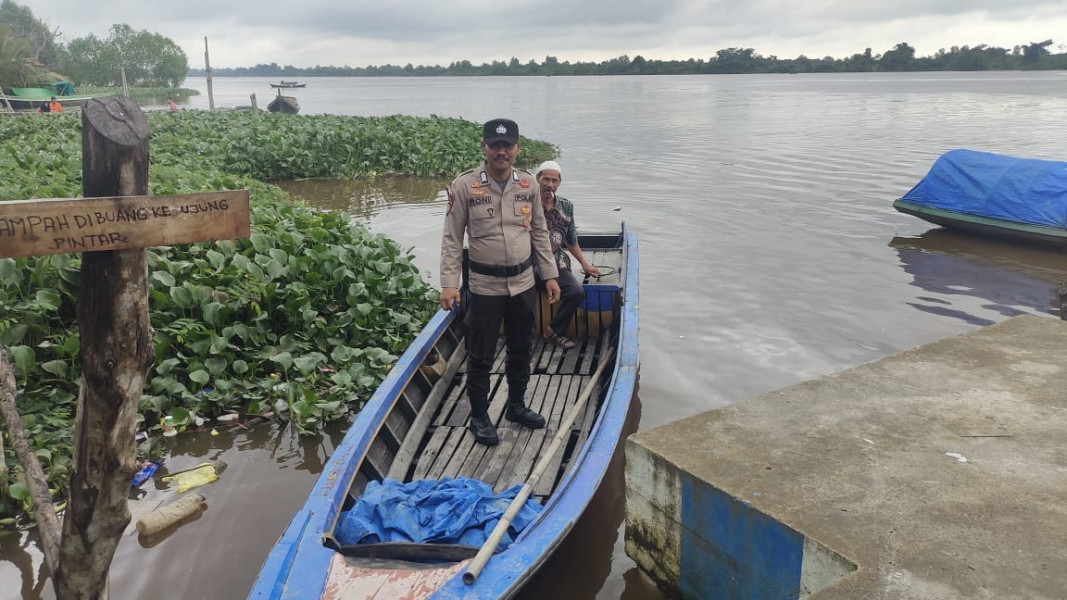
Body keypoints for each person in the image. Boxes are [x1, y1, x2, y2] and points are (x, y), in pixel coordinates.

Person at [440, 118, 561, 446]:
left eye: (508, 146)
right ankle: (479, 415)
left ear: (518, 149)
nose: (501, 151)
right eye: (495, 145)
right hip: (483, 287)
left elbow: (539, 232)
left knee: (522, 347)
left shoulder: (528, 186)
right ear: (485, 147)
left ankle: (516, 406)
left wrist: (549, 275)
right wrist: (449, 283)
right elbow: (452, 239)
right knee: (480, 354)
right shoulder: (464, 186)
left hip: (523, 283)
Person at [535, 160, 601, 350]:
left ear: (559, 183)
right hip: (529, 264)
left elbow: (571, 241)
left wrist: (585, 264)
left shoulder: (566, 206)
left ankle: (553, 330)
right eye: (546, 179)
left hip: (556, 263)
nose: (550, 184)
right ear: (537, 179)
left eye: (554, 181)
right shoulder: (526, 204)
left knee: (576, 292)